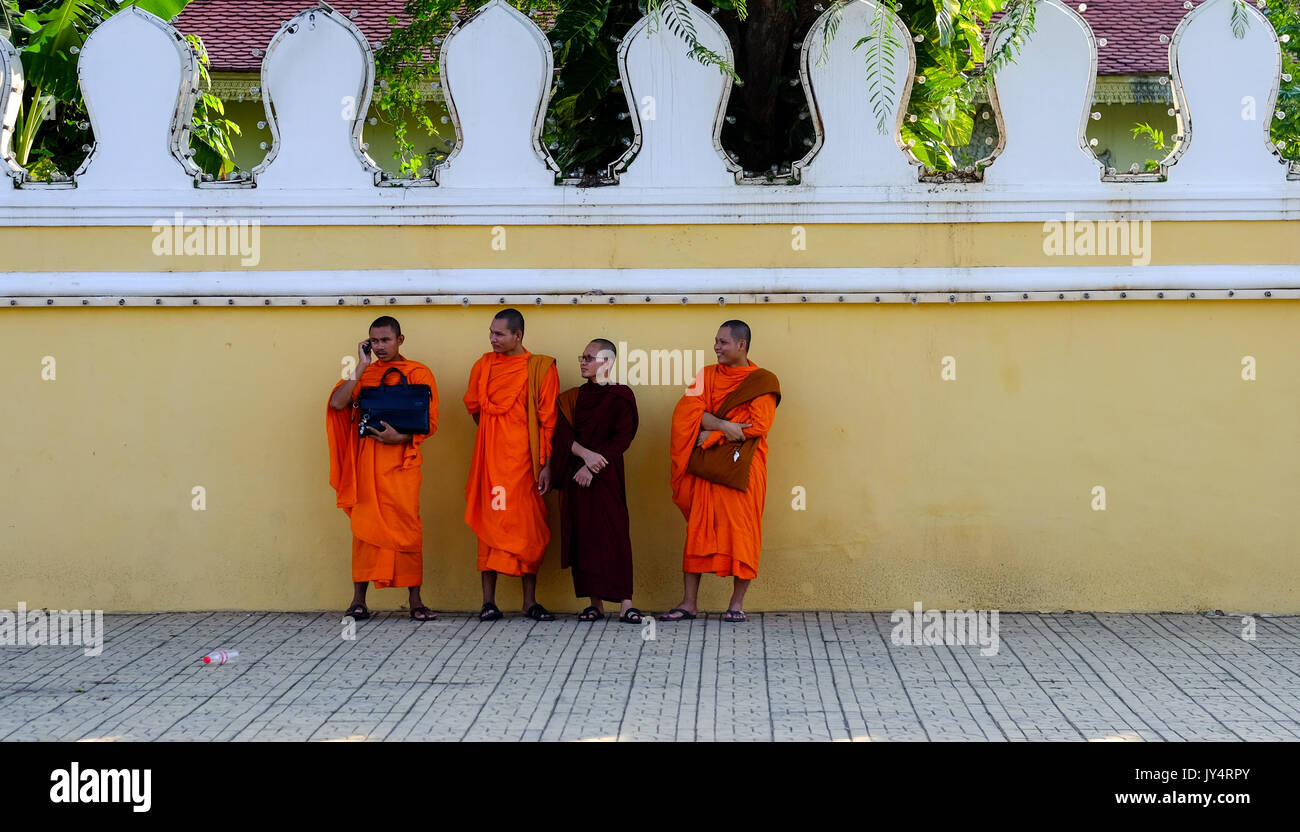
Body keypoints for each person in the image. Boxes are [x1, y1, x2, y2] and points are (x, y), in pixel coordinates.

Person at [664, 320, 780, 623]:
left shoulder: (762, 381)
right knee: (699, 531)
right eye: (715, 341)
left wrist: (713, 433)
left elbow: (759, 426)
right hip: (708, 469)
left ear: (741, 345)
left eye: (723, 342)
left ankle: (736, 604)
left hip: (744, 467)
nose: (716, 347)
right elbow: (687, 412)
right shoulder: (707, 376)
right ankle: (689, 603)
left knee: (742, 532)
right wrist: (724, 425)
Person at [326, 316, 440, 621]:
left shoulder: (418, 373)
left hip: (402, 464)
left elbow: (430, 422)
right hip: (368, 464)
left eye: (385, 340)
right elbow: (338, 404)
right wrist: (361, 366)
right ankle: (358, 601)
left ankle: (415, 601)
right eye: (373, 342)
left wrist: (398, 437)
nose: (379, 347)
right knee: (365, 530)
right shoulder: (364, 373)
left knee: (407, 528)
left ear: (400, 340)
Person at [464, 308, 560, 621]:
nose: (493, 339)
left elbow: (549, 421)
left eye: (499, 334)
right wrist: (495, 438)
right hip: (491, 465)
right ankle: (488, 603)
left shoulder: (540, 368)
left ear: (517, 336)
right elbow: (475, 409)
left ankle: (529, 601)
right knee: (489, 528)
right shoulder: (483, 365)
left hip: (525, 465)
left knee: (528, 530)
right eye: (491, 333)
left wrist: (545, 464)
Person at [545, 339, 642, 623]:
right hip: (578, 474)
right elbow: (561, 437)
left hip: (607, 474)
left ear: (607, 363)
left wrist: (594, 465)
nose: (583, 362)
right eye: (582, 357)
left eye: (590, 357)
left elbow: (623, 438)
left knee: (616, 535)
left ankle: (626, 603)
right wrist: (586, 456)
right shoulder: (571, 398)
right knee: (584, 537)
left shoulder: (621, 396)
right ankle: (594, 603)